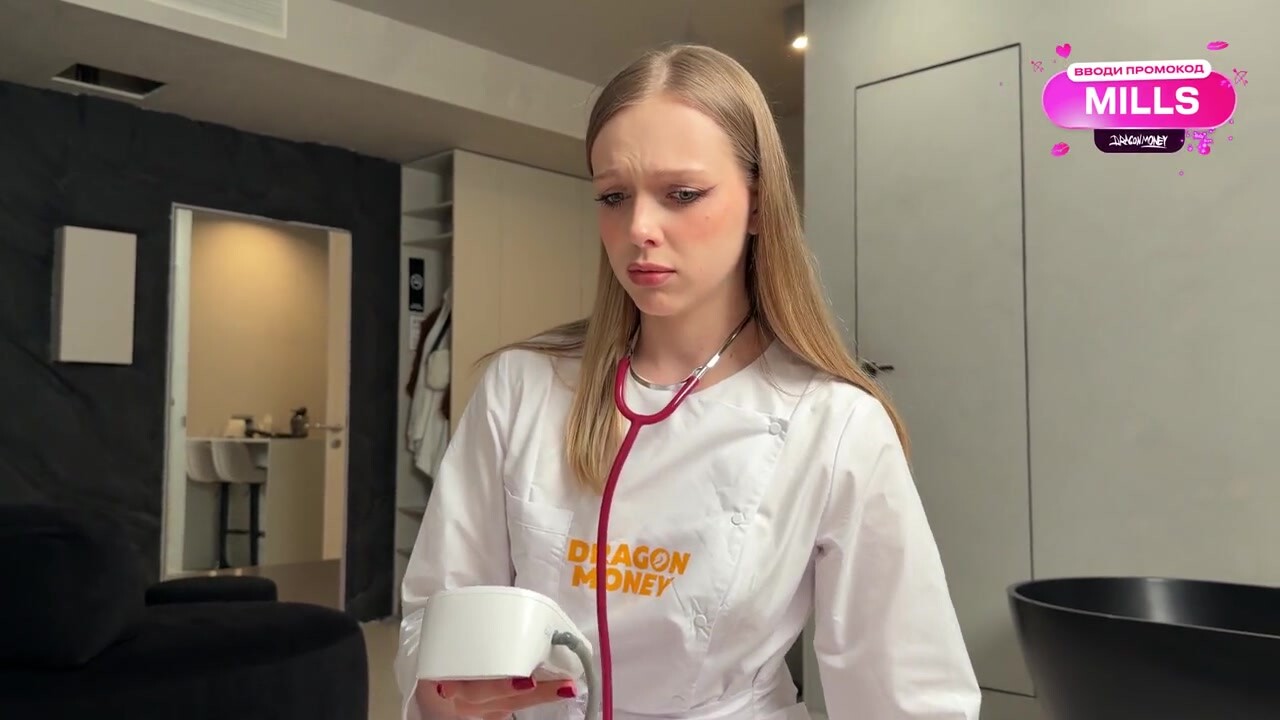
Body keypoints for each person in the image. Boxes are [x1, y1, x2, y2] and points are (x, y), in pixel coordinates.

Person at [394, 43, 981, 720]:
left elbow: (906, 695)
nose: (638, 229)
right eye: (614, 196)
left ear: (758, 205)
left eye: (682, 194)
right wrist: (440, 693)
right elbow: (438, 613)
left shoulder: (836, 424)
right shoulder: (520, 388)